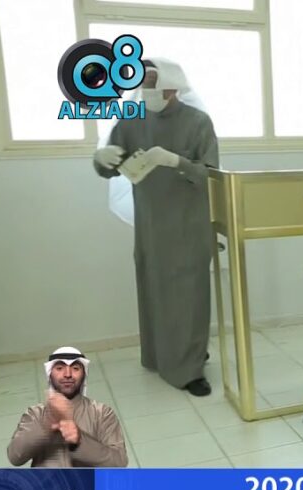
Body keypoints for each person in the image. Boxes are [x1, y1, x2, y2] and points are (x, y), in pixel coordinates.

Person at [92, 58, 219, 396]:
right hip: (150, 226)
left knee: (189, 297)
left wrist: (176, 161)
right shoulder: (130, 120)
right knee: (154, 291)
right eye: (142, 84)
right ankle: (158, 355)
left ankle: (190, 368)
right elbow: (111, 167)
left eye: (152, 84)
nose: (146, 91)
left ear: (173, 87)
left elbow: (209, 175)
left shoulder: (198, 122)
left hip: (188, 224)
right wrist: (100, 159)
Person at [7, 347, 128, 467]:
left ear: (84, 375)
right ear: (50, 374)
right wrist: (46, 425)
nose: (68, 374)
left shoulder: (102, 413)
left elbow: (119, 463)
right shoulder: (35, 413)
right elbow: (15, 457)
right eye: (60, 368)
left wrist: (80, 440)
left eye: (75, 368)